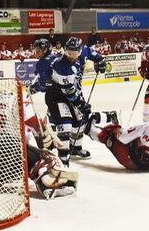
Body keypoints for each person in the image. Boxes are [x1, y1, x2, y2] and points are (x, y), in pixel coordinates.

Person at [0, 99, 78, 199]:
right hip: (10, 159)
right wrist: (45, 141)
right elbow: (35, 127)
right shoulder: (19, 99)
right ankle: (46, 183)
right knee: (43, 157)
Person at [43, 36, 106, 165]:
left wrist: (100, 62)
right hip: (56, 95)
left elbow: (95, 56)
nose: (71, 56)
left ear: (80, 51)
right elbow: (68, 90)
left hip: (73, 91)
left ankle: (76, 148)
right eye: (69, 53)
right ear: (65, 50)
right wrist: (81, 104)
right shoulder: (62, 65)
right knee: (65, 124)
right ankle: (63, 158)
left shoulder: (85, 51)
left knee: (80, 120)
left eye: (74, 53)